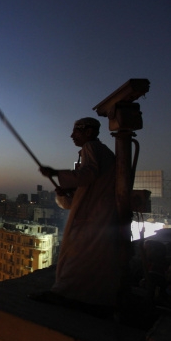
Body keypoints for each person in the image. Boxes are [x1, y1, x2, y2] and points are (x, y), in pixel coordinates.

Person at [37, 117, 128, 313]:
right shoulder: (97, 152)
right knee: (89, 258)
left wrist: (55, 173)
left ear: (88, 132)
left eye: (76, 131)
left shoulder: (92, 148)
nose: (72, 136)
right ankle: (86, 297)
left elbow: (88, 175)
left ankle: (64, 294)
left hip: (93, 217)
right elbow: (87, 185)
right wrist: (67, 193)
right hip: (96, 215)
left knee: (77, 255)